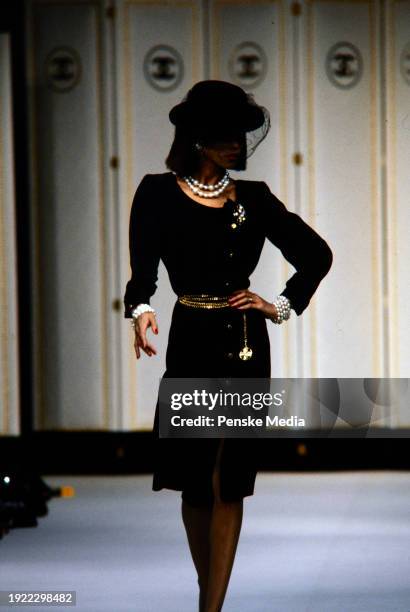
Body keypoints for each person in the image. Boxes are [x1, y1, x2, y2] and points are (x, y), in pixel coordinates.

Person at [123, 80, 333, 612]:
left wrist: (280, 305)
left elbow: (317, 254)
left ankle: (212, 606)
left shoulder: (256, 199)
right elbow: (142, 270)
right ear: (198, 137)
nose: (238, 142)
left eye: (241, 132)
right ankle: (208, 592)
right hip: (190, 337)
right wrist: (141, 309)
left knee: (229, 478)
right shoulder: (155, 192)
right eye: (225, 133)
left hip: (244, 344)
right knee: (195, 480)